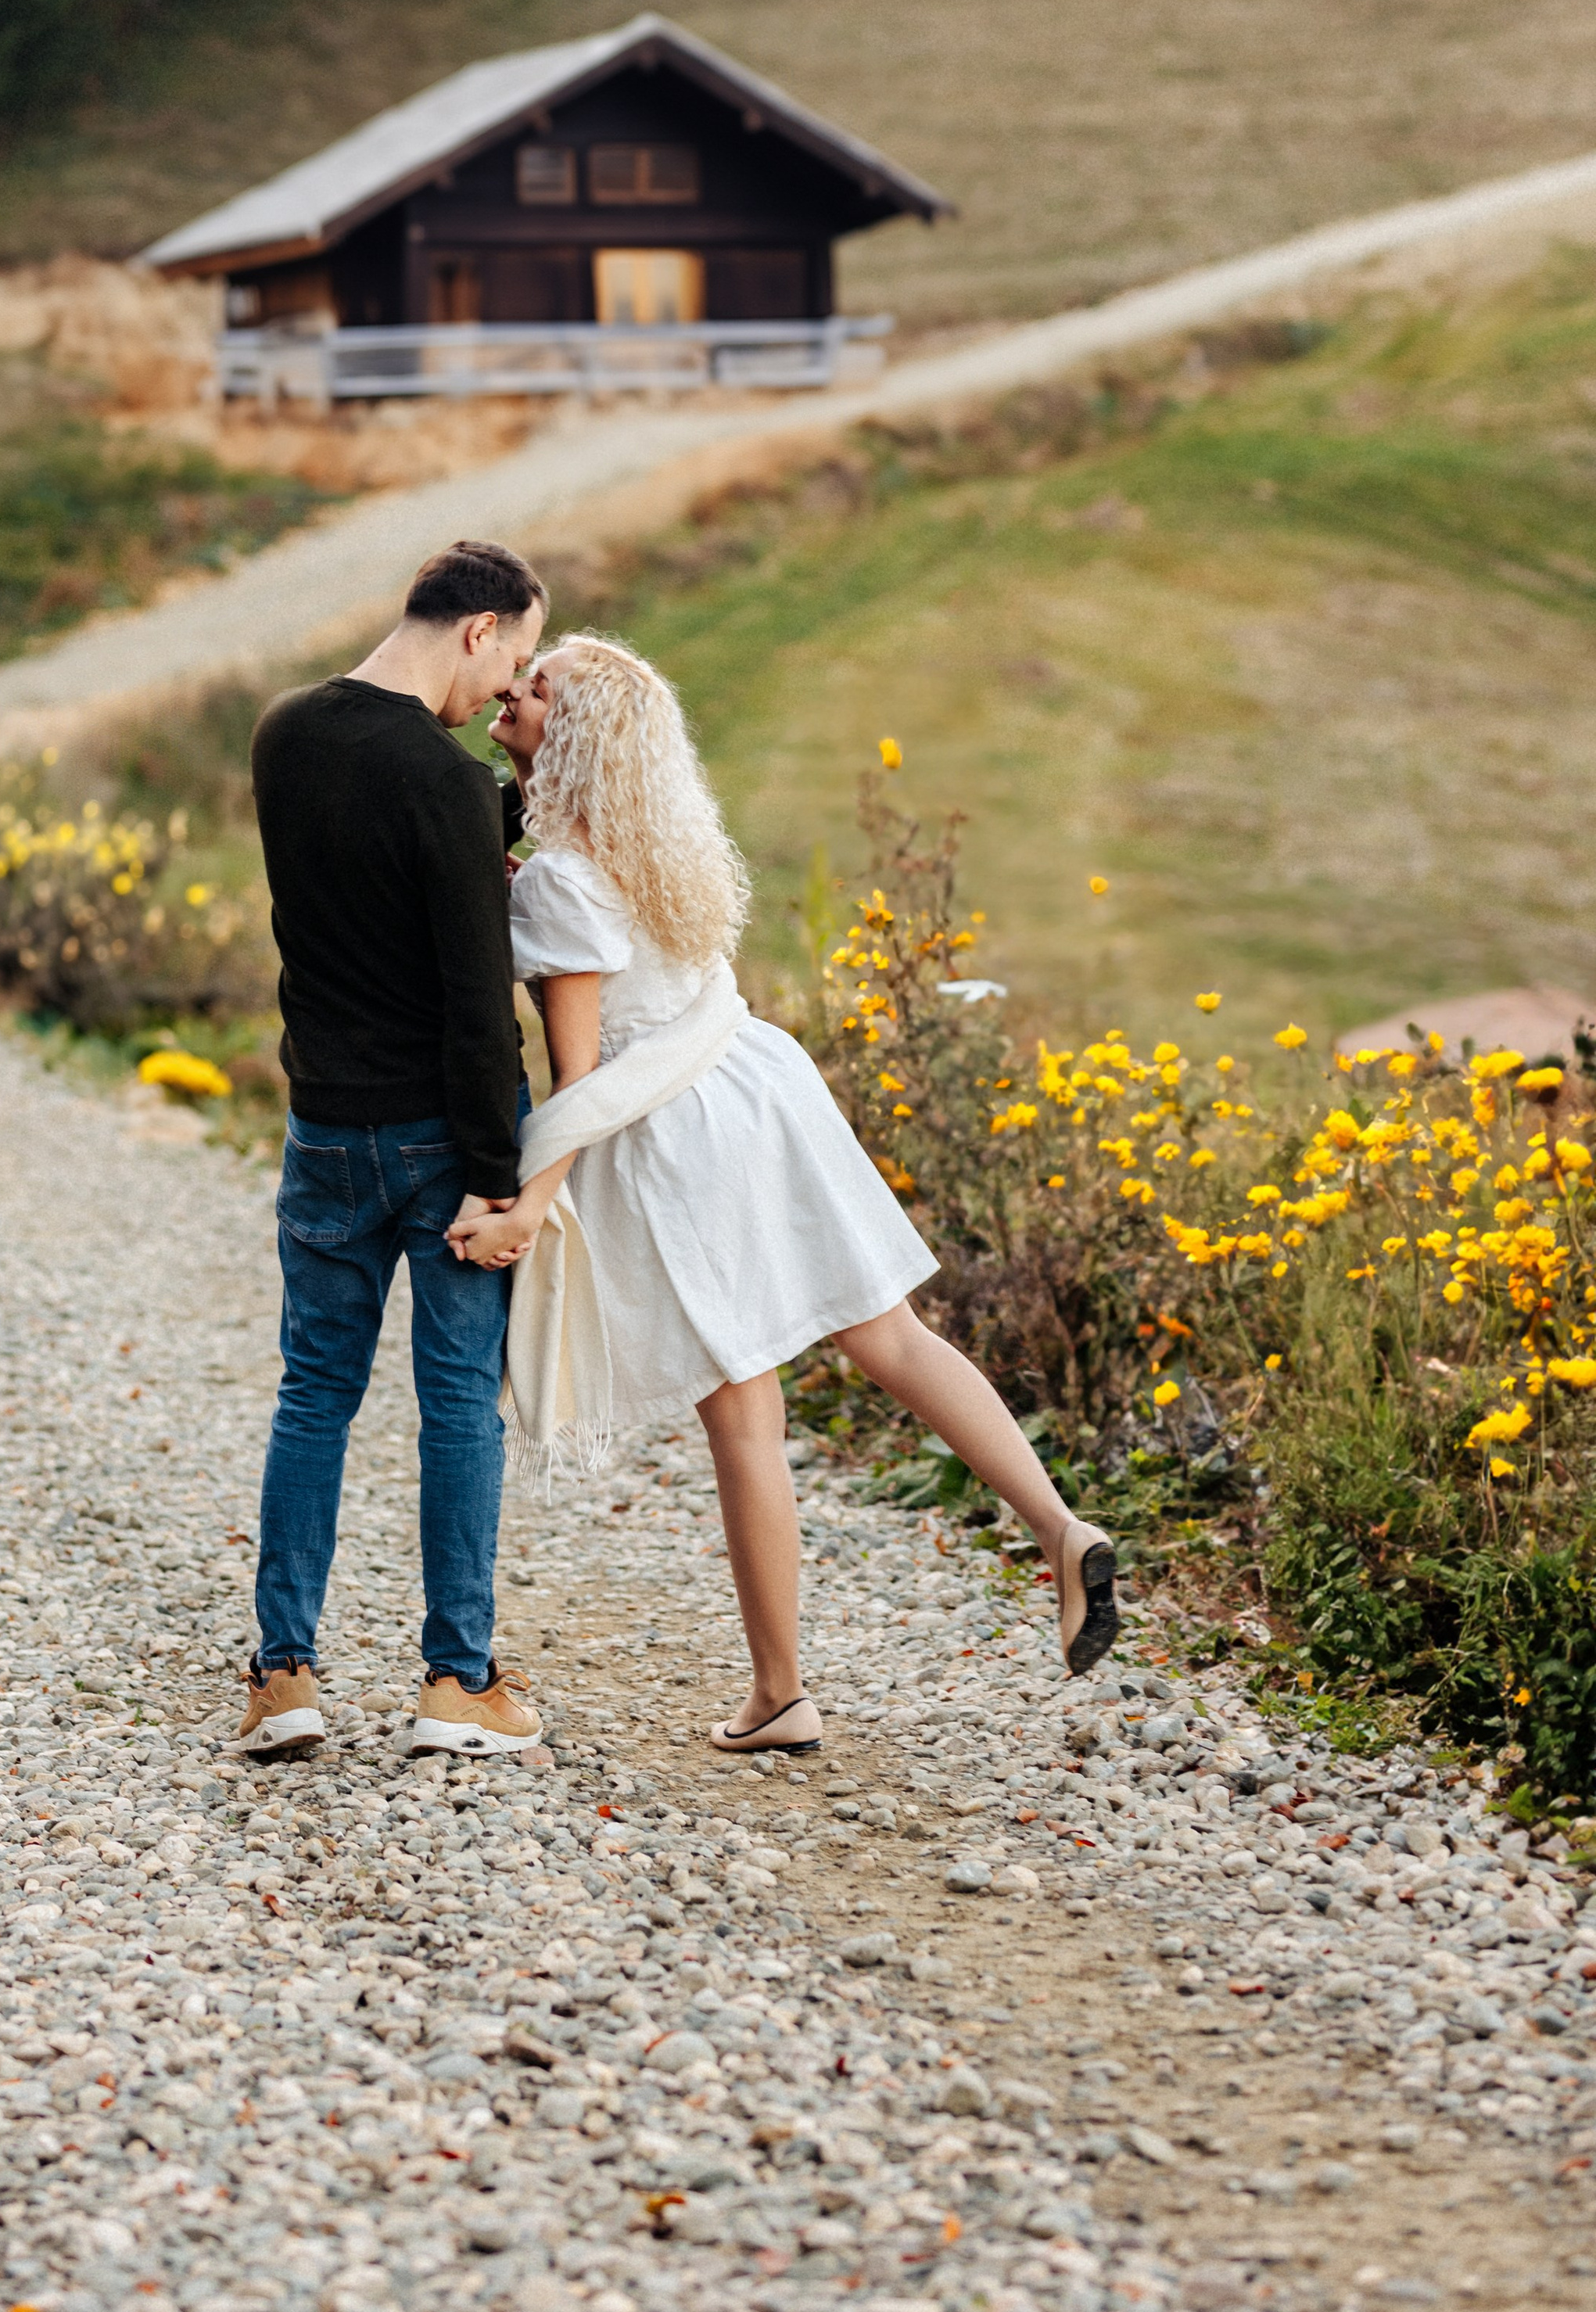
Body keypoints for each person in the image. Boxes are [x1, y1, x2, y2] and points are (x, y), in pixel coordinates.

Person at [450, 634, 1118, 1754]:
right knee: (893, 1336)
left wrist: (529, 1202)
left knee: (743, 1413)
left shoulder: (562, 877)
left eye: (540, 685)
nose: (513, 689)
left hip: (680, 1134)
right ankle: (1060, 1527)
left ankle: (781, 1690)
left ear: (575, 736)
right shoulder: (646, 844)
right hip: (759, 1084)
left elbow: (582, 1079)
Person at [241, 539, 550, 1762]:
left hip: (324, 1122)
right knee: (458, 1401)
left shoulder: (283, 733)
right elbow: (479, 1005)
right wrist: (500, 1175)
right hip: (439, 1138)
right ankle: (456, 1681)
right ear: (479, 630)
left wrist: (491, 807)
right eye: (514, 660)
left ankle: (283, 1675)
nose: (505, 689)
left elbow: (357, 876)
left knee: (314, 1391)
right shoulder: (445, 781)